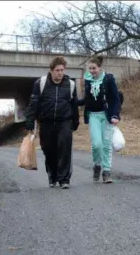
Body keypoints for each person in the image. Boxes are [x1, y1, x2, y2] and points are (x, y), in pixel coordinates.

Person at [25, 56, 79, 189]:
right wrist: (30, 121)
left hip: (64, 121)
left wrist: (75, 121)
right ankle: (52, 175)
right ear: (51, 70)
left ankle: (64, 179)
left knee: (64, 149)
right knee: (48, 150)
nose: (60, 73)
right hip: (46, 123)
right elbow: (33, 104)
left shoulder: (70, 84)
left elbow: (74, 104)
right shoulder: (41, 83)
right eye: (57, 70)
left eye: (62, 70)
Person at [77, 55, 121, 183]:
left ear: (99, 68)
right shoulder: (87, 80)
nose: (92, 71)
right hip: (93, 115)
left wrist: (115, 115)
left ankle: (106, 172)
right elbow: (87, 99)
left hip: (106, 116)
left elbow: (115, 99)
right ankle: (97, 165)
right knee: (96, 144)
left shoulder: (108, 79)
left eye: (94, 68)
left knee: (106, 145)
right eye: (90, 68)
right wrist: (75, 102)